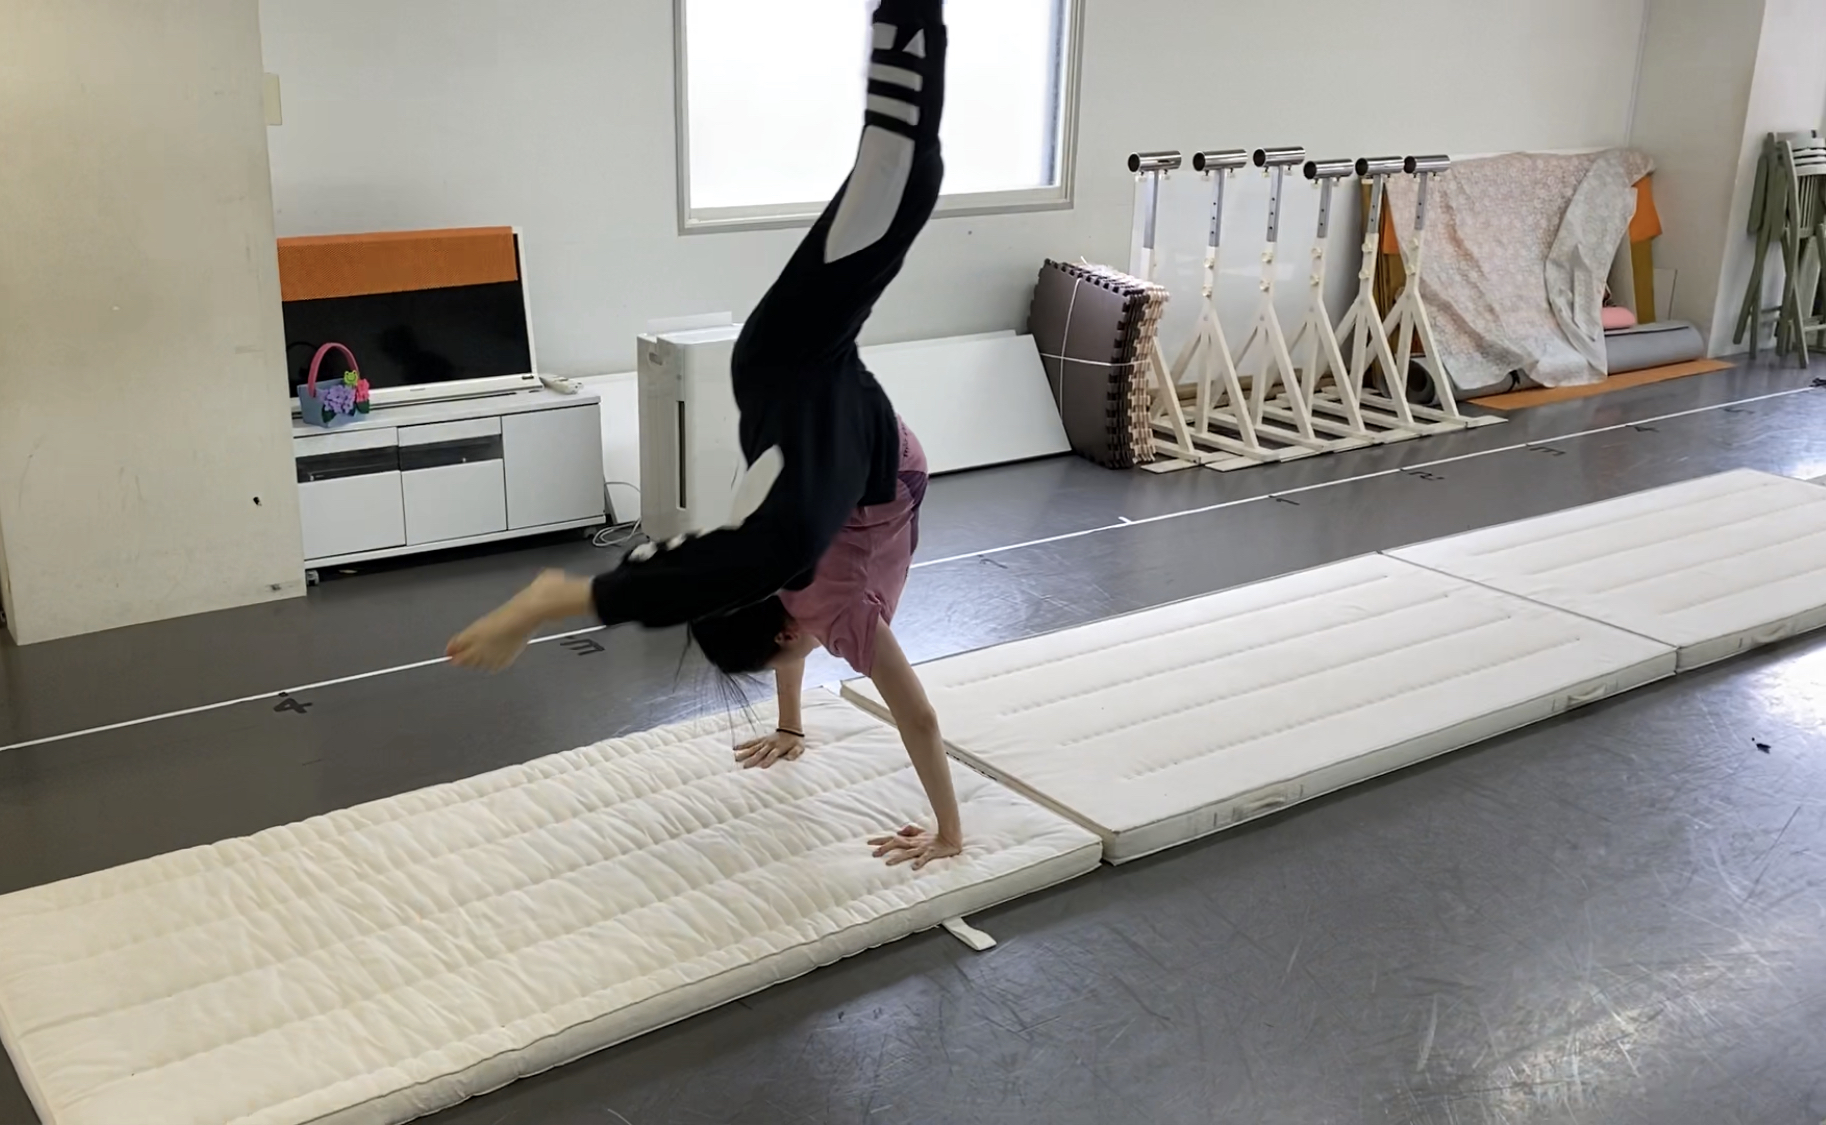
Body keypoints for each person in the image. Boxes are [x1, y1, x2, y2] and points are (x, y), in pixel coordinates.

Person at [447, 0, 960, 869]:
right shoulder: (800, 607)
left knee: (901, 180)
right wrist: (791, 727)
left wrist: (949, 831)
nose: (792, 659)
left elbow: (920, 716)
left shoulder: (829, 616)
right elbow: (795, 649)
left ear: (779, 634)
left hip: (845, 434)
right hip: (786, 370)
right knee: (896, 177)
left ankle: (562, 596)